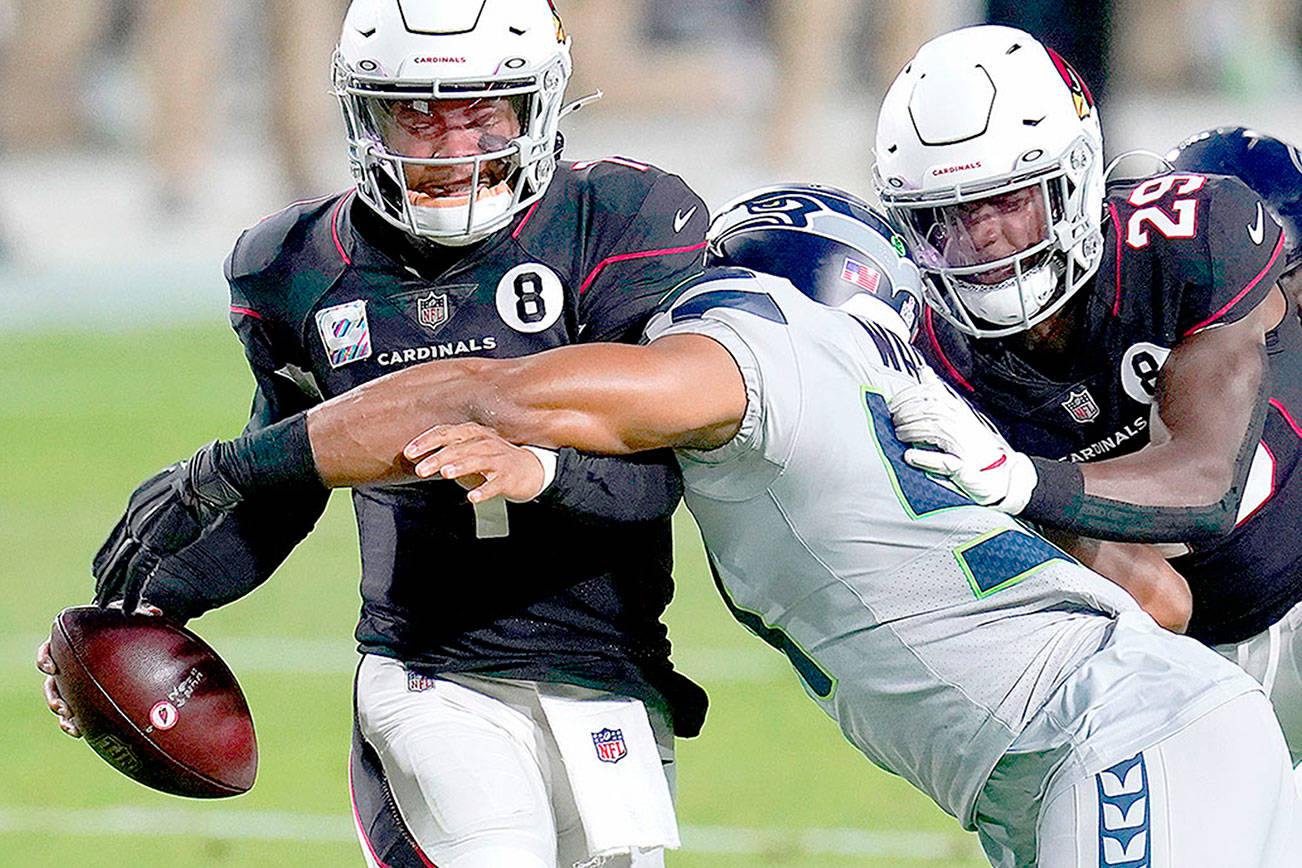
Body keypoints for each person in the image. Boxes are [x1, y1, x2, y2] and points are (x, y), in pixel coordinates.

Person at [64, 183, 1302, 866]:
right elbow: (1142, 592)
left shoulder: (761, 351)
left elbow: (487, 385)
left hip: (1113, 741)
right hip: (1086, 755)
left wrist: (251, 461)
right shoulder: (887, 376)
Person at [40, 2, 713, 867]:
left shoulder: (615, 223)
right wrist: (125, 624)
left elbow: (663, 476)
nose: (448, 146)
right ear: (363, 112)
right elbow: (280, 490)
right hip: (431, 673)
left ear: (537, 106)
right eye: (414, 114)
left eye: (480, 112)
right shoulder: (297, 265)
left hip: (610, 679)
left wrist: (540, 468)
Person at [868, 25, 1302, 776]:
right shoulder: (930, 362)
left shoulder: (1187, 239)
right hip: (1177, 670)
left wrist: (1020, 481)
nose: (982, 240)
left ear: (1071, 178)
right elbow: (1160, 599)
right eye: (947, 215)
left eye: (1005, 199)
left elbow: (1206, 486)